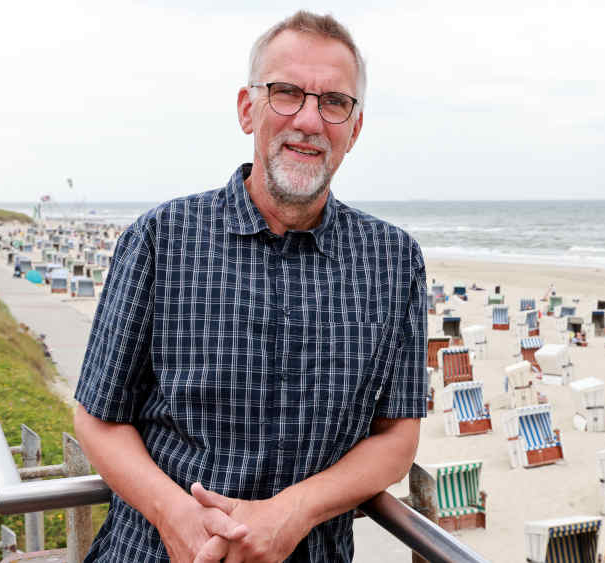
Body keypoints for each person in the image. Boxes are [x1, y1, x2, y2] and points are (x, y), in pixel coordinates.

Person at [73, 12, 427, 563]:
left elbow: (397, 437)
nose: (309, 120)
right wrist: (175, 517)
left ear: (354, 129)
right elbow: (98, 418)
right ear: (247, 109)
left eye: (334, 102)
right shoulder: (160, 238)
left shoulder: (394, 261)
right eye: (286, 93)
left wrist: (292, 512)